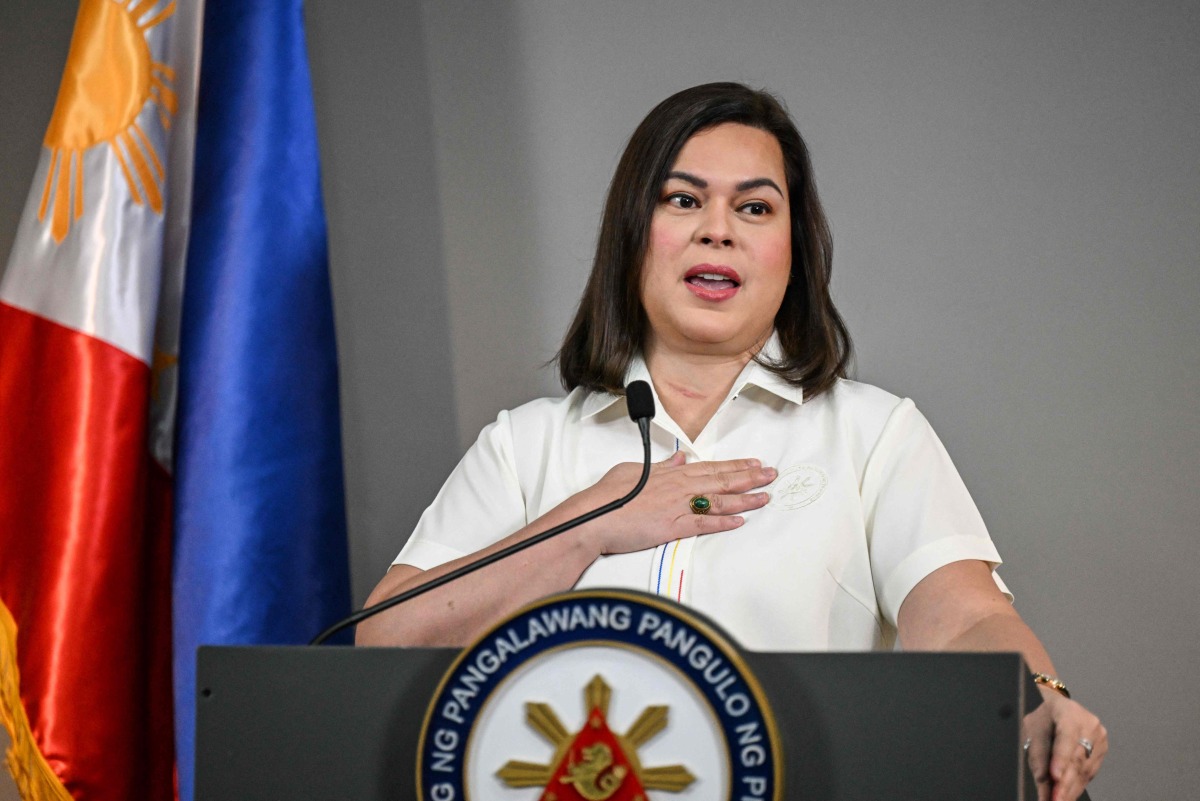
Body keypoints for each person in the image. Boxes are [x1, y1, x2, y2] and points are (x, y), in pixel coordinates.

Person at [358, 82, 1107, 801]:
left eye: (754, 207)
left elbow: (965, 616)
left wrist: (1040, 699)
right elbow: (388, 643)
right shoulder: (524, 445)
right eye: (684, 200)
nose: (718, 229)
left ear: (792, 250)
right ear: (631, 235)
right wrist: (592, 521)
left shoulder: (873, 433)